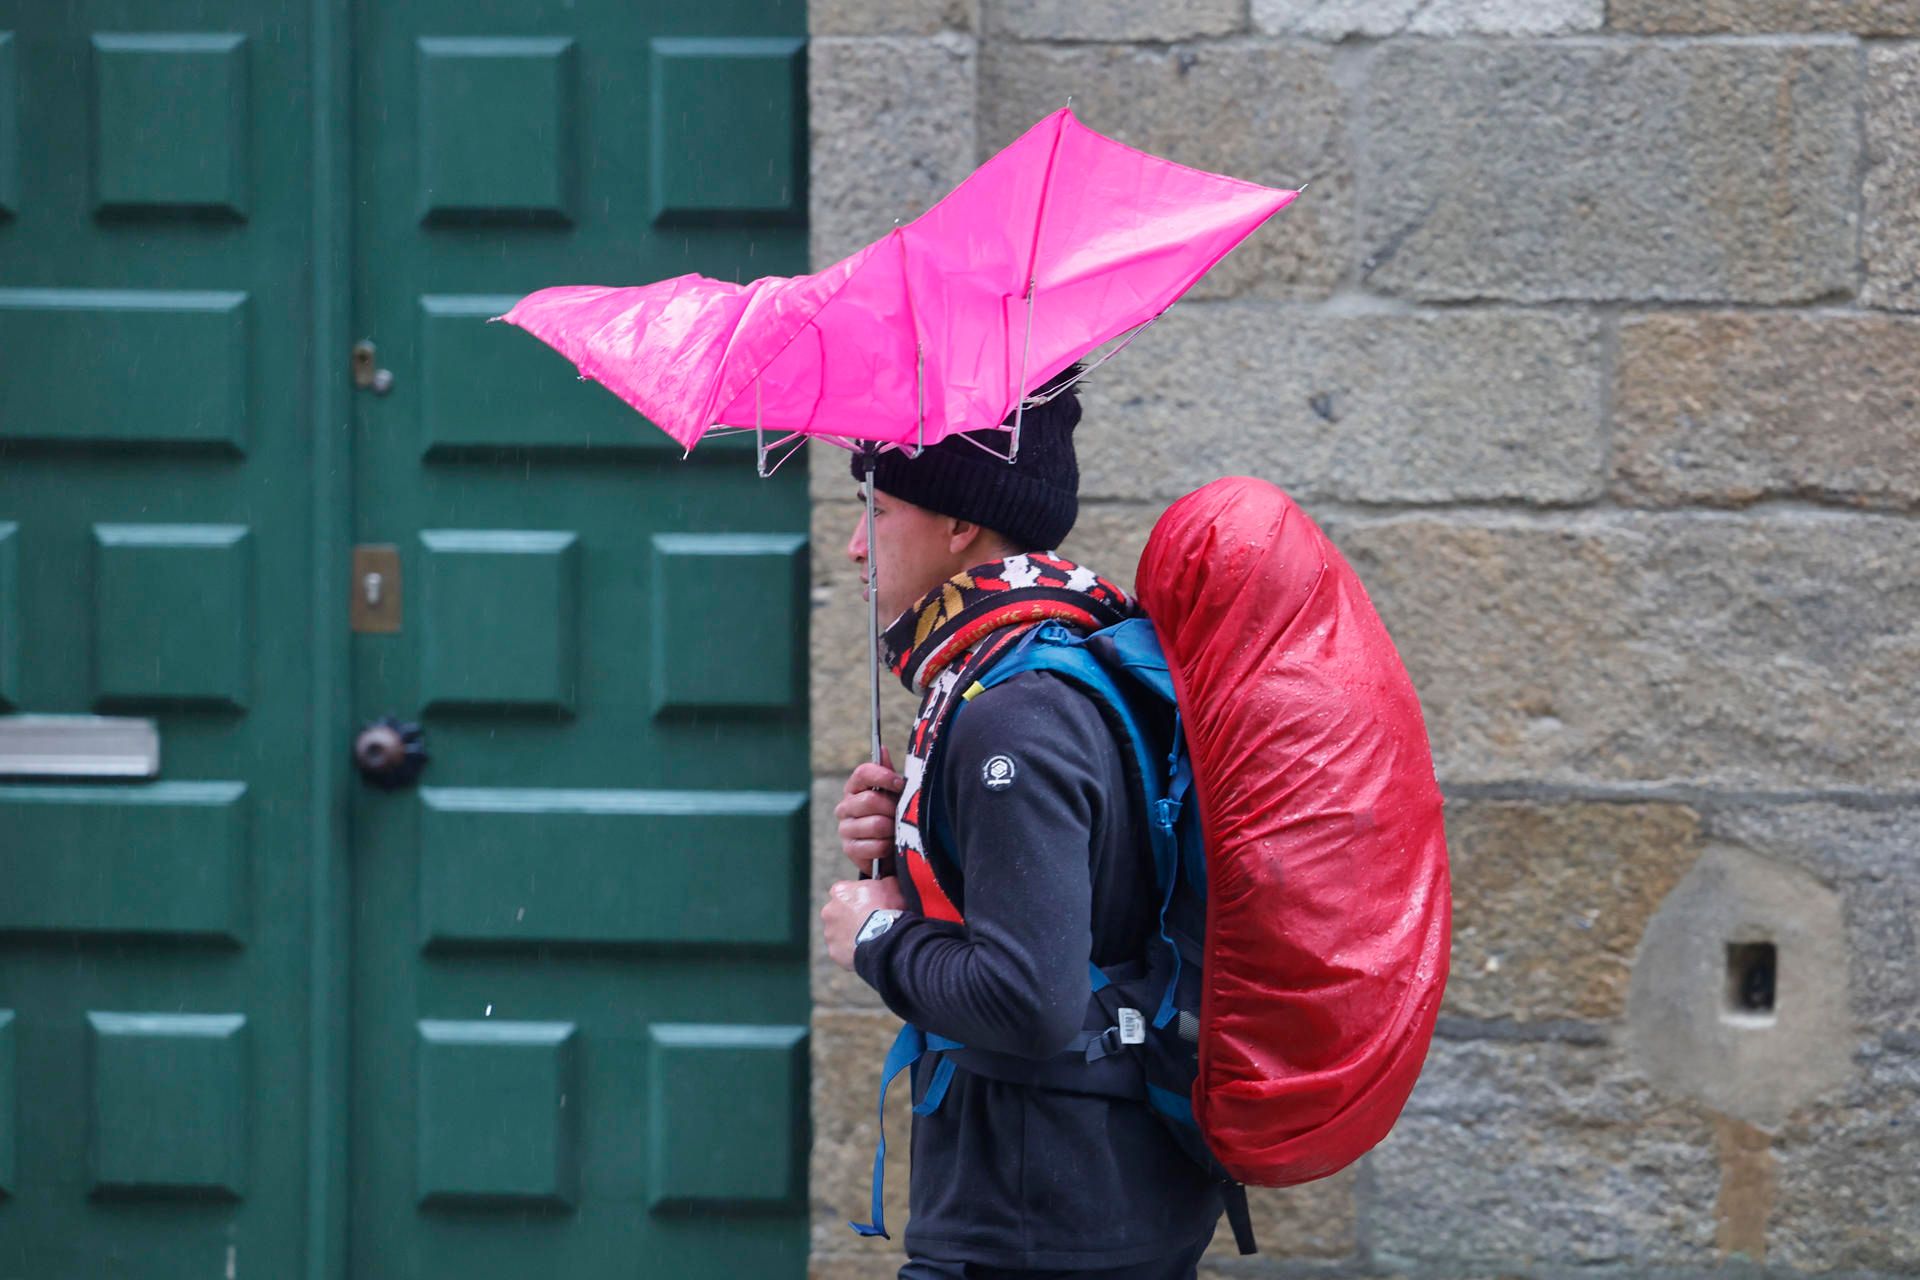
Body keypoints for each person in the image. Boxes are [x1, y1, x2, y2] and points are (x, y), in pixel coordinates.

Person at [819, 372, 1222, 1279]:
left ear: (962, 525)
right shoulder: (1072, 653)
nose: (853, 547)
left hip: (1038, 1225)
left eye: (875, 509)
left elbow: (1028, 1001)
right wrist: (917, 841)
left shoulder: (1010, 710)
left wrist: (875, 935)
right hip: (1093, 1201)